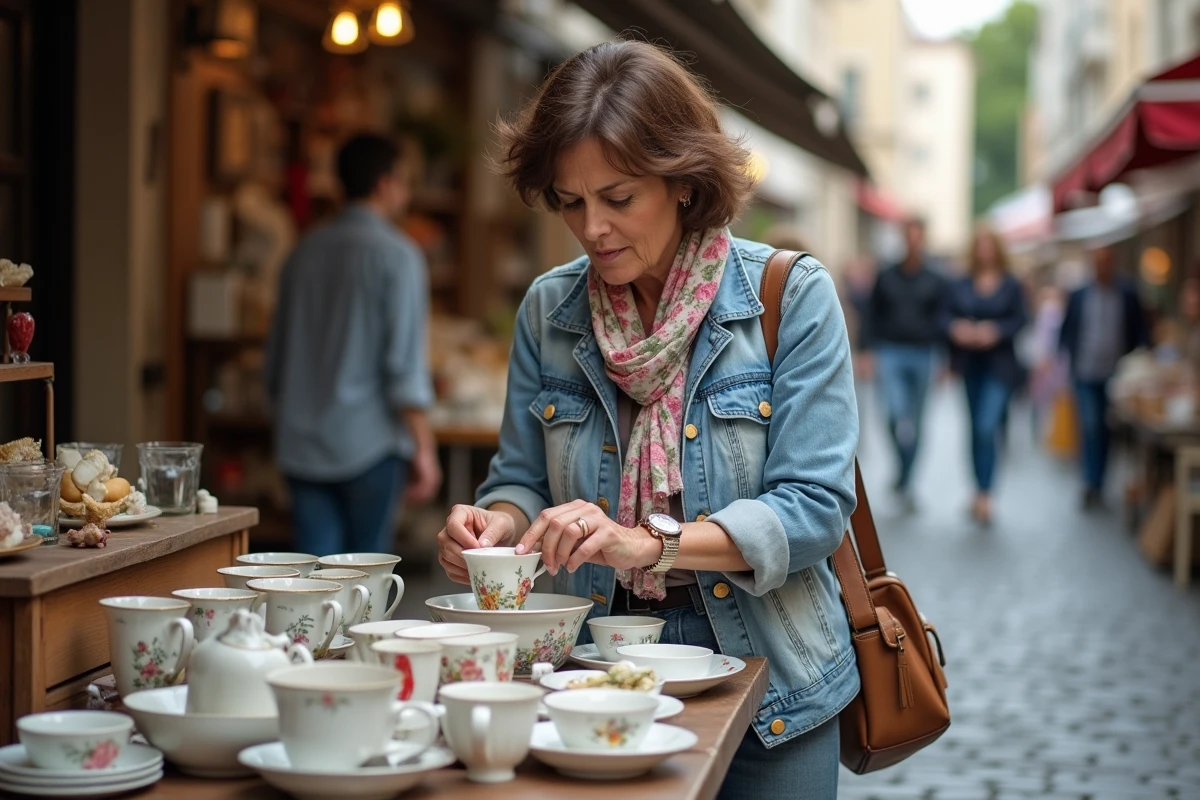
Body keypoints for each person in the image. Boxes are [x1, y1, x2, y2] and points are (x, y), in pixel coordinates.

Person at [435, 41, 859, 800]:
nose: (592, 227)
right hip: (590, 669)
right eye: (570, 201)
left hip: (772, 684)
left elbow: (814, 510)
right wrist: (497, 526)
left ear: (684, 183)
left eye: (618, 197)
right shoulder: (548, 311)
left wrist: (647, 542)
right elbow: (521, 479)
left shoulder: (789, 297)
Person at [265, 133, 442, 555]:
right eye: (404, 180)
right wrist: (425, 448)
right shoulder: (399, 255)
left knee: (311, 577)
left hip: (302, 441)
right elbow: (403, 370)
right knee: (365, 579)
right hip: (370, 442)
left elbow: (275, 364)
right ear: (385, 184)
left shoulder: (302, 252)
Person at [942, 225, 1028, 525]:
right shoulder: (961, 283)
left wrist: (996, 331)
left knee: (986, 426)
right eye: (979, 245)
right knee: (974, 429)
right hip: (970, 365)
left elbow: (1021, 319)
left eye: (989, 245)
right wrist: (957, 329)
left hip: (1000, 365)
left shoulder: (1011, 284)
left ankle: (987, 493)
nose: (984, 251)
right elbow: (945, 316)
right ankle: (978, 489)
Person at [859, 218, 946, 509]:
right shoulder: (886, 275)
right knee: (894, 415)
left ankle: (907, 479)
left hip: (923, 353)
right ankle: (902, 465)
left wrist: (945, 359)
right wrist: (866, 351)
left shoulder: (935, 278)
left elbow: (943, 319)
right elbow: (872, 314)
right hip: (891, 351)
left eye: (917, 237)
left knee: (918, 421)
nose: (913, 242)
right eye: (908, 236)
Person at [1058, 244, 1148, 509]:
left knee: (1107, 430)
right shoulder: (1079, 294)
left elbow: (1139, 330)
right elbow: (1067, 331)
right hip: (1085, 371)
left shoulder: (1127, 293)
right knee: (1090, 425)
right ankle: (1091, 481)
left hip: (1116, 375)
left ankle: (1099, 480)